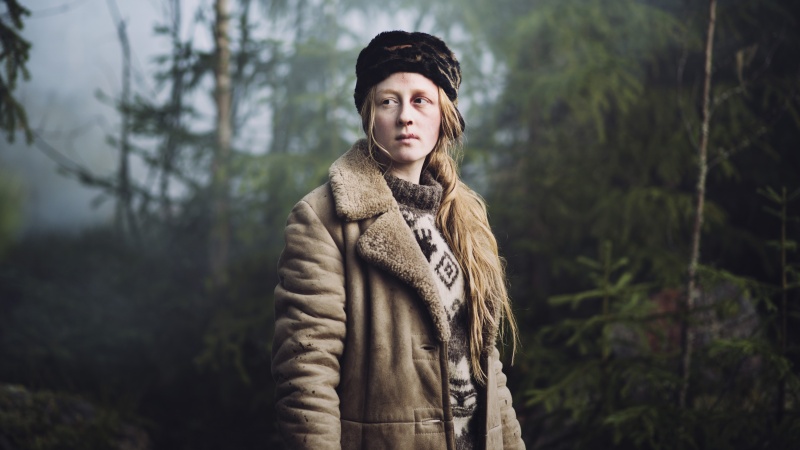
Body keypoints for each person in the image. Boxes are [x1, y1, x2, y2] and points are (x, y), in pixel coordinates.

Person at [271, 30, 525, 450]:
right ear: (369, 115)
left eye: (421, 100)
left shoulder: (466, 218)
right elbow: (306, 375)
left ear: (443, 115)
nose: (406, 115)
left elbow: (488, 366)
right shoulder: (322, 219)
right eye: (389, 101)